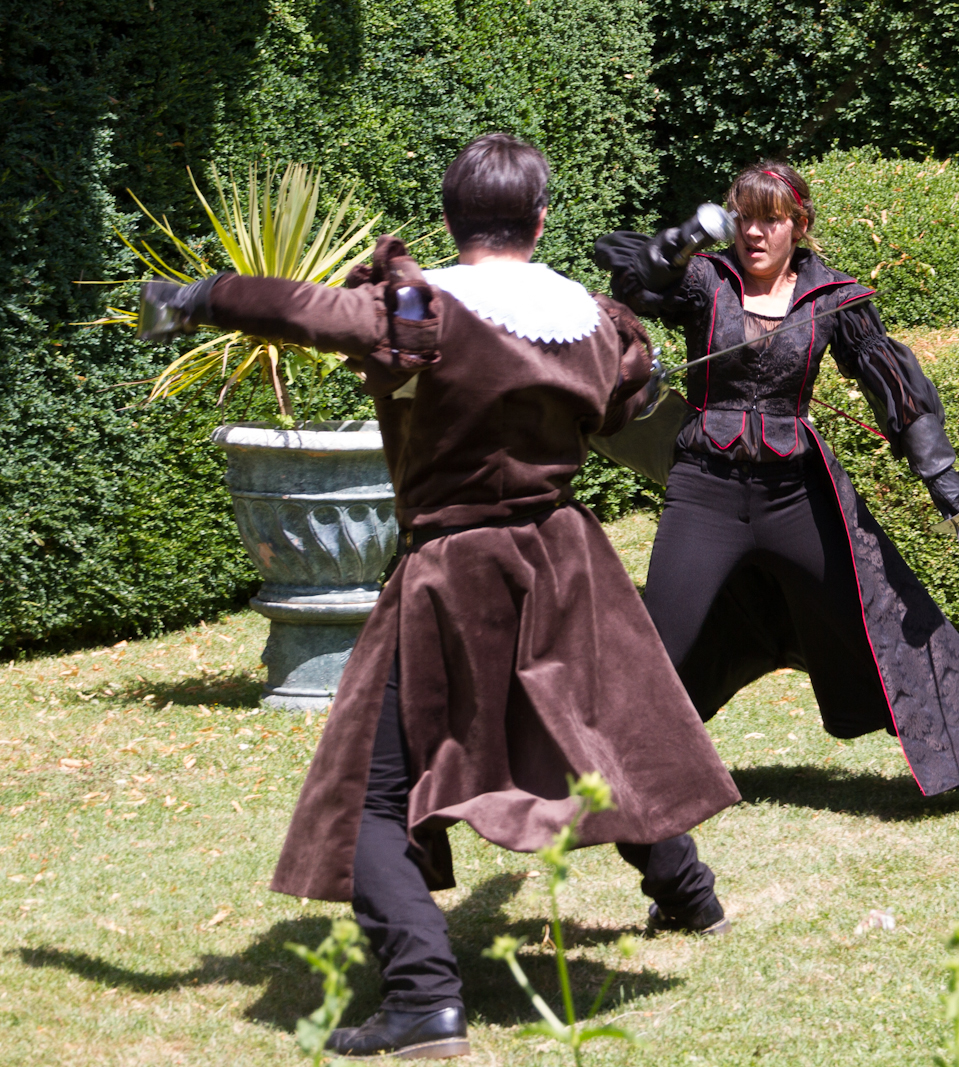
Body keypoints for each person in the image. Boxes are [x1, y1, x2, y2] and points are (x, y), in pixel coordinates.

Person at [137, 133, 741, 1060]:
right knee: (599, 731)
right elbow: (625, 403)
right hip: (561, 558)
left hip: (454, 569)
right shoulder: (590, 319)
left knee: (369, 795)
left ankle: (424, 999)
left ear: (452, 219)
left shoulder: (423, 310)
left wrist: (196, 297)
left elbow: (301, 308)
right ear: (540, 219)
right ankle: (690, 896)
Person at [594, 161, 959, 798]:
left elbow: (890, 381)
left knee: (876, 613)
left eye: (771, 219)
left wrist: (935, 464)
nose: (755, 232)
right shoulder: (705, 279)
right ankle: (601, 772)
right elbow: (634, 282)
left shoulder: (833, 299)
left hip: (793, 496)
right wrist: (675, 245)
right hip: (704, 493)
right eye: (745, 218)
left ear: (798, 225)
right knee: (662, 634)